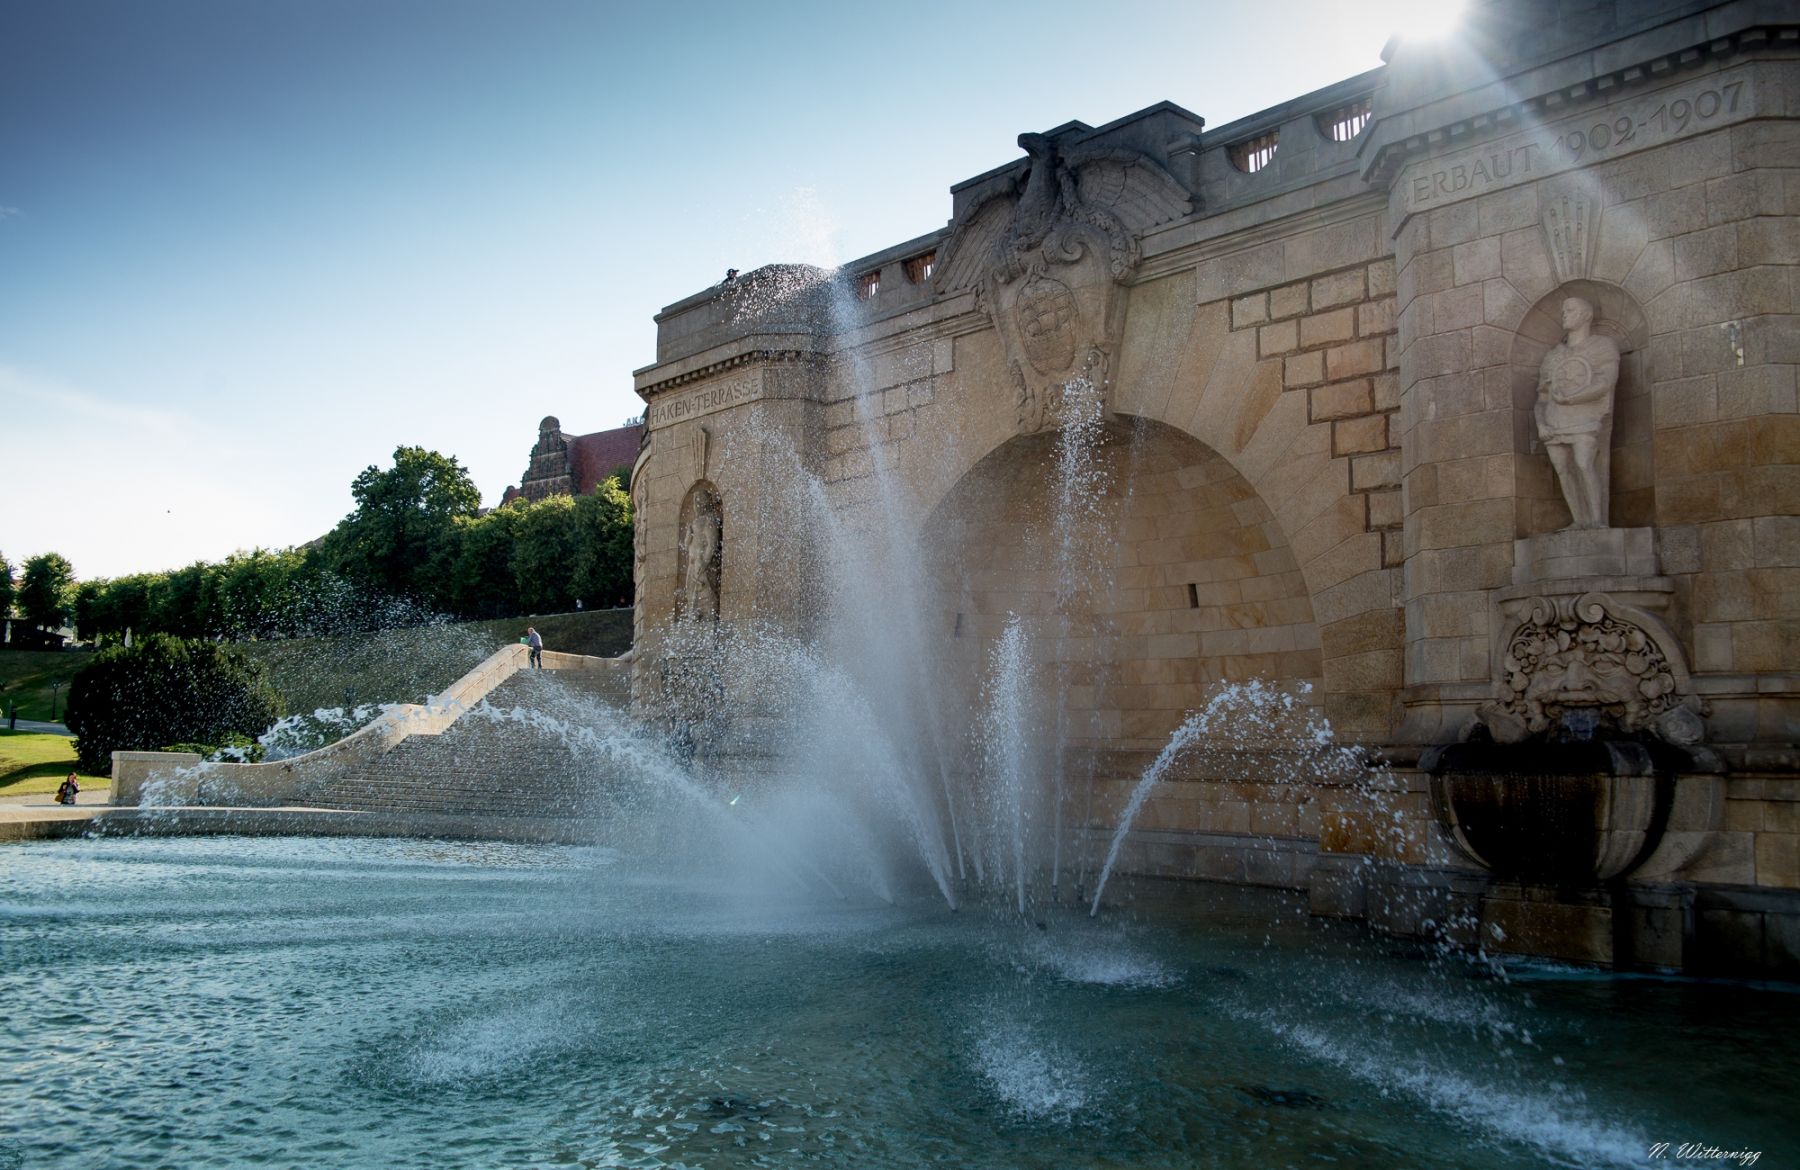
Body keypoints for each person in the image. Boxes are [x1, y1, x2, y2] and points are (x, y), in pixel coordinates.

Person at [1535, 296, 1620, 530]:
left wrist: (1573, 398)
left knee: (1584, 464)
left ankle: (1597, 520)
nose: (1564, 314)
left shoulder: (1602, 346)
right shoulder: (1553, 355)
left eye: (1570, 310)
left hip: (1586, 417)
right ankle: (1579, 520)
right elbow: (1542, 397)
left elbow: (1606, 383)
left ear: (1586, 315)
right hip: (1554, 420)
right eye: (1563, 310)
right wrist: (1541, 423)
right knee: (1563, 470)